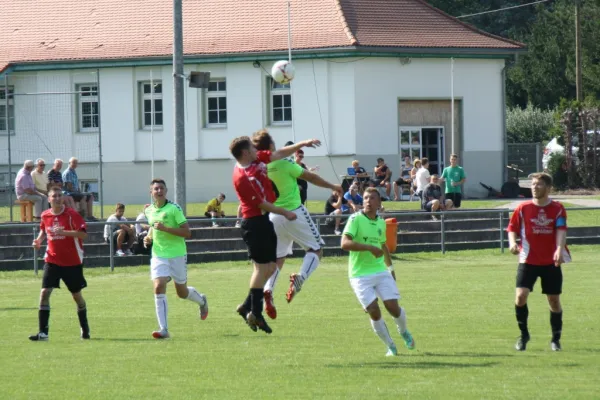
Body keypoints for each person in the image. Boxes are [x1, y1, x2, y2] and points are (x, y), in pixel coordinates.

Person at [253, 131, 343, 319]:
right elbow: (310, 177)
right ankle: (300, 278)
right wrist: (332, 186)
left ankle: (268, 289)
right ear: (270, 147)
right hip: (294, 212)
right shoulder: (285, 164)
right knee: (316, 249)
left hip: (273, 216)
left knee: (278, 259)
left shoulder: (258, 168)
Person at [230, 135, 298, 334]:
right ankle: (256, 313)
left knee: (270, 267)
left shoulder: (256, 160)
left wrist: (302, 144)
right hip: (254, 224)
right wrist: (285, 212)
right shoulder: (241, 176)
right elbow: (260, 203)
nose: (255, 148)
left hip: (264, 221)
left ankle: (246, 306)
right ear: (245, 152)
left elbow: (278, 154)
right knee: (261, 270)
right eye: (251, 147)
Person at [340, 187, 415, 356]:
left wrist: (391, 269)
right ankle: (390, 345)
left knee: (393, 308)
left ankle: (404, 332)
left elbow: (383, 246)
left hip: (381, 272)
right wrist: (368, 248)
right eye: (365, 198)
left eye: (372, 198)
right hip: (359, 275)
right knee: (373, 309)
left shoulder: (381, 223)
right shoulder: (355, 219)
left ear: (379, 202)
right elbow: (344, 243)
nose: (368, 201)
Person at [507, 173, 570, 352]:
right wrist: (512, 243)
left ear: (548, 188)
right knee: (520, 297)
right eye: (533, 184)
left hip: (551, 261)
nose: (534, 187)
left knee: (554, 300)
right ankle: (524, 335)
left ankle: (555, 339)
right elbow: (512, 228)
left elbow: (561, 230)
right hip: (528, 259)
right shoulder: (523, 208)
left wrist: (559, 250)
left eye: (539, 184)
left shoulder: (557, 208)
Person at [142, 178, 208, 339]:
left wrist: (165, 229)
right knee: (158, 286)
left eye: (162, 188)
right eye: (156, 189)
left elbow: (187, 232)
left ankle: (202, 301)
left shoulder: (174, 209)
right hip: (159, 255)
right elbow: (153, 226)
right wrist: (148, 237)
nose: (159, 191)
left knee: (182, 292)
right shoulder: (148, 210)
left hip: (177, 254)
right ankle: (163, 329)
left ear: (166, 191)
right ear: (151, 192)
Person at [29, 186, 90, 341]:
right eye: (53, 196)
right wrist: (38, 241)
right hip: (52, 260)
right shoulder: (45, 215)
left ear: (62, 198)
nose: (56, 198)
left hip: (72, 262)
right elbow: (44, 231)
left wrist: (63, 233)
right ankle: (43, 333)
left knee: (77, 296)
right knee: (44, 293)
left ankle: (84, 328)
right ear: (48, 199)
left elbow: (83, 234)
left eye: (59, 195)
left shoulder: (71, 214)